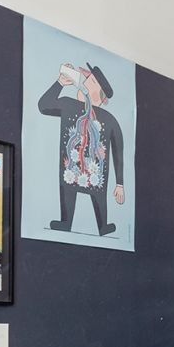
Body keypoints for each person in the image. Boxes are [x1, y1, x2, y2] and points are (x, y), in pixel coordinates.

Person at [37, 62, 125, 236]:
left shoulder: (109, 119)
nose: (85, 80)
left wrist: (120, 183)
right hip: (71, 167)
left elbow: (118, 151)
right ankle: (66, 222)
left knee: (98, 193)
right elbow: (43, 106)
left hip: (96, 171)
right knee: (68, 187)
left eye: (91, 80)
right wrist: (60, 83)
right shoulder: (69, 104)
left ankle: (103, 225)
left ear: (100, 94)